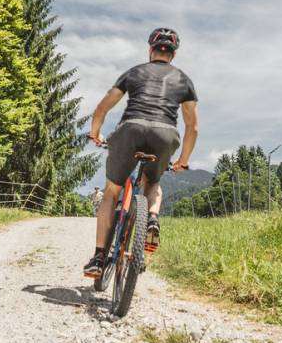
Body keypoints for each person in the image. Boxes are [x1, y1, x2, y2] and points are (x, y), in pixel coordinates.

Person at [83, 27, 198, 277]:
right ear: (173, 55)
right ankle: (153, 219)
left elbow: (101, 110)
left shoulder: (134, 72)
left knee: (111, 192)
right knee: (153, 183)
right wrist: (183, 160)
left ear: (150, 50)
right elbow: (192, 127)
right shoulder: (184, 80)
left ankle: (99, 257)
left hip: (130, 129)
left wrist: (95, 133)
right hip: (165, 134)